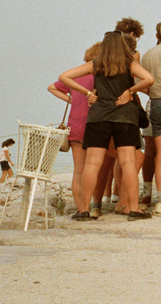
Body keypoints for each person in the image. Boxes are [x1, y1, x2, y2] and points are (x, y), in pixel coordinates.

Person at [62, 31, 154, 219]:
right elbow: (149, 79)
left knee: (92, 163)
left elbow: (64, 76)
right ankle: (134, 208)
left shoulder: (96, 64)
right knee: (128, 161)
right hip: (124, 117)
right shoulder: (129, 65)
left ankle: (84, 209)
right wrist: (130, 90)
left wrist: (87, 93)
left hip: (98, 117)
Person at [48, 48, 96, 215]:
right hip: (93, 124)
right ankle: (93, 204)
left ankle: (82, 209)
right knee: (94, 167)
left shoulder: (76, 75)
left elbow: (52, 87)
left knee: (78, 170)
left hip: (75, 123)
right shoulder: (98, 76)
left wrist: (72, 100)